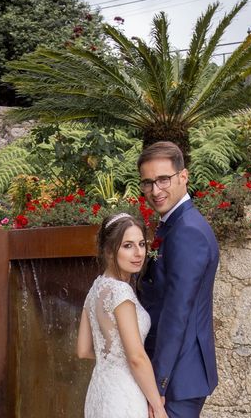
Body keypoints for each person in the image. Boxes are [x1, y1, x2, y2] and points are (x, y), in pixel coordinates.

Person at [136, 141, 219, 418]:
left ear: (183, 176)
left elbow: (176, 312)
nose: (155, 190)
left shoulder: (187, 231)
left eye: (163, 179)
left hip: (177, 377)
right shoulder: (174, 224)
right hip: (177, 371)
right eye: (147, 183)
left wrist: (157, 384)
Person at [77, 213, 167, 418]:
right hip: (124, 395)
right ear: (109, 251)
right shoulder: (121, 293)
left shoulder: (96, 288)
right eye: (128, 245)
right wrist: (158, 407)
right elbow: (136, 357)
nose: (138, 253)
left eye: (141, 244)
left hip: (100, 394)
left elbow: (83, 350)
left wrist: (115, 359)